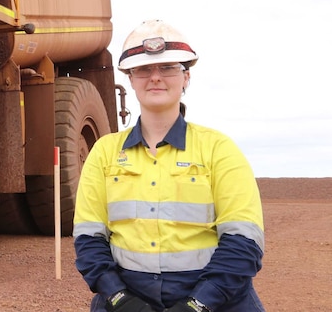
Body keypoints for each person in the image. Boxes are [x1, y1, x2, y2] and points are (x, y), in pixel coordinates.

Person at [73, 20, 265, 312]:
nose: (155, 78)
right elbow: (89, 238)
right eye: (143, 70)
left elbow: (243, 241)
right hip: (127, 300)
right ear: (131, 79)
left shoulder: (219, 149)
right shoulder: (104, 153)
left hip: (218, 300)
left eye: (167, 68)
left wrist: (198, 304)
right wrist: (119, 299)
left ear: (186, 77)